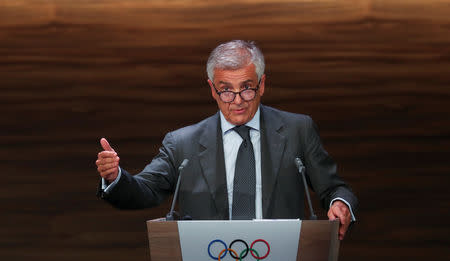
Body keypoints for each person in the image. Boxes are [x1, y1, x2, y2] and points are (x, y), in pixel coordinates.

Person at [95, 40, 357, 240]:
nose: (238, 100)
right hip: (211, 258)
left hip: (281, 257)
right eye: (226, 90)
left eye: (247, 87)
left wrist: (339, 204)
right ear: (212, 89)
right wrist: (115, 177)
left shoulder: (297, 130)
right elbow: (145, 191)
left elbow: (334, 188)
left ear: (262, 84)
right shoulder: (182, 143)